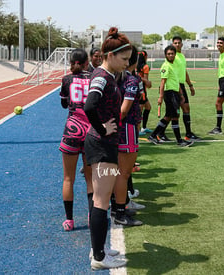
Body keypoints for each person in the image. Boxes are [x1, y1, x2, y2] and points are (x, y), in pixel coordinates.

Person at [84, 27, 131, 270]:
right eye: (123, 59)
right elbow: (89, 106)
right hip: (102, 144)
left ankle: (98, 248)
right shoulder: (102, 77)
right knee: (102, 200)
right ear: (109, 55)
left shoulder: (109, 76)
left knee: (101, 198)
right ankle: (99, 258)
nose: (126, 64)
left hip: (105, 145)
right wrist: (103, 129)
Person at [59, 49, 93, 231]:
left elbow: (64, 103)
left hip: (72, 129)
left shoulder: (67, 79)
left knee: (68, 178)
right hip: (91, 131)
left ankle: (69, 220)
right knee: (91, 179)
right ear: (87, 62)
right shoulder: (94, 78)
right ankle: (91, 216)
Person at [113, 45, 143, 227]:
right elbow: (124, 111)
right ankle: (120, 211)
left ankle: (118, 208)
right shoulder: (130, 80)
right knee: (123, 174)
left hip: (114, 129)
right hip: (126, 129)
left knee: (115, 173)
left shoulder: (112, 78)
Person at [147, 45, 194, 147]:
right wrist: (160, 97)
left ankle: (153, 136)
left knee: (168, 116)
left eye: (172, 53)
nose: (170, 55)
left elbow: (176, 81)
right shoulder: (165, 66)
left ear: (175, 54)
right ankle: (179, 141)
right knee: (175, 116)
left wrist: (181, 94)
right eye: (168, 54)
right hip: (169, 93)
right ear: (165, 55)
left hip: (176, 92)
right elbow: (163, 83)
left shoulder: (174, 66)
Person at [137, 51, 153, 135]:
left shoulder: (135, 66)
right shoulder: (145, 66)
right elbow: (145, 80)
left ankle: (144, 127)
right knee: (140, 110)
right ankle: (138, 130)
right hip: (142, 90)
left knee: (148, 107)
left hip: (138, 89)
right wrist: (149, 84)